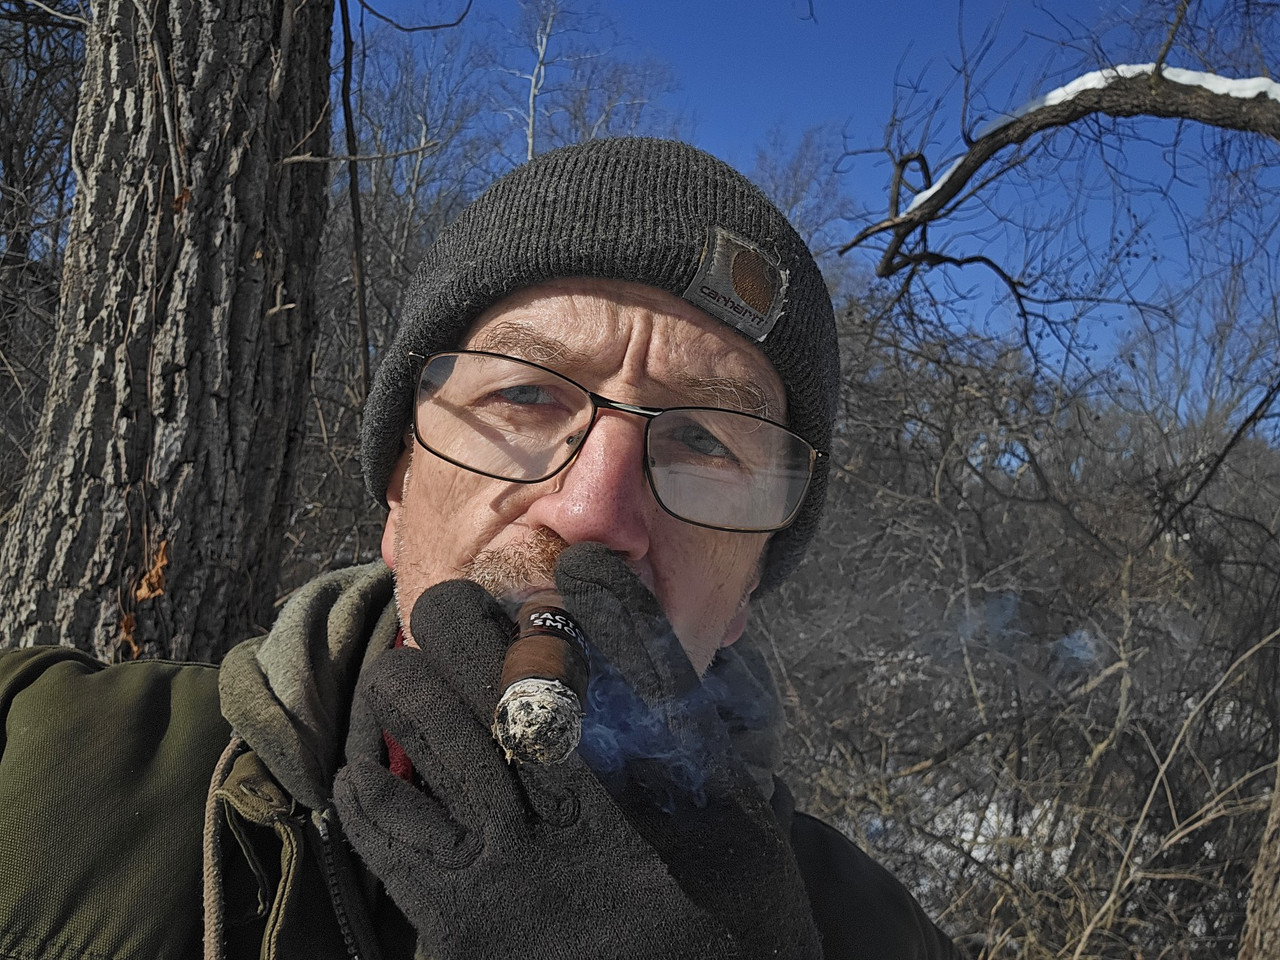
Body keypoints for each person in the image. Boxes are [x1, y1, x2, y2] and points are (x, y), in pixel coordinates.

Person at [0, 138, 962, 960]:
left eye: (706, 442)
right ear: (400, 483)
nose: (593, 512)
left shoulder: (873, 934)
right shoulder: (34, 767)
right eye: (527, 395)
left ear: (752, 579)